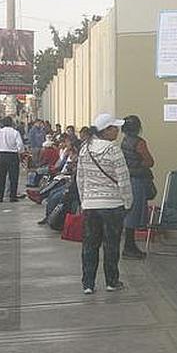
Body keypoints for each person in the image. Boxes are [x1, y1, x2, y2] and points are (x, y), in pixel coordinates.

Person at [76, 113, 132, 295]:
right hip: (112, 205)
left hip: (90, 206)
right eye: (115, 128)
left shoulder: (85, 149)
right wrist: (127, 201)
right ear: (106, 130)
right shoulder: (113, 150)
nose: (118, 131)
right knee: (111, 244)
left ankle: (88, 283)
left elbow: (80, 178)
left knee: (90, 245)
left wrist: (84, 201)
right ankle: (111, 281)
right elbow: (123, 178)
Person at [119, 115, 154, 260]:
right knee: (134, 213)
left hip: (127, 179)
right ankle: (129, 247)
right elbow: (150, 161)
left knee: (129, 211)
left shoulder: (124, 141)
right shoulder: (139, 143)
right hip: (138, 180)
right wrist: (138, 164)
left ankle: (130, 245)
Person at [0, 116, 26, 203]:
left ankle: (0, 197)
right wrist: (20, 152)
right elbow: (20, 145)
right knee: (13, 177)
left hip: (1, 155)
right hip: (12, 155)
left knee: (1, 177)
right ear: (11, 123)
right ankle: (12, 197)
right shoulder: (15, 132)